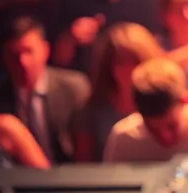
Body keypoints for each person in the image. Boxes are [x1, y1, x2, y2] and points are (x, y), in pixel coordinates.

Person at [0, 17, 90, 164]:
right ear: (4, 57)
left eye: (28, 51)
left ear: (45, 50)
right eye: (14, 55)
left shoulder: (74, 89)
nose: (22, 62)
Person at [103, 58, 188, 162]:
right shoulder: (124, 139)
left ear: (186, 101)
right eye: (153, 130)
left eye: (172, 126)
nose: (166, 137)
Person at [70, 23, 166, 162]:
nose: (129, 69)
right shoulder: (90, 112)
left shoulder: (165, 106)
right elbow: (83, 167)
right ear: (108, 66)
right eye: (121, 62)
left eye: (135, 61)